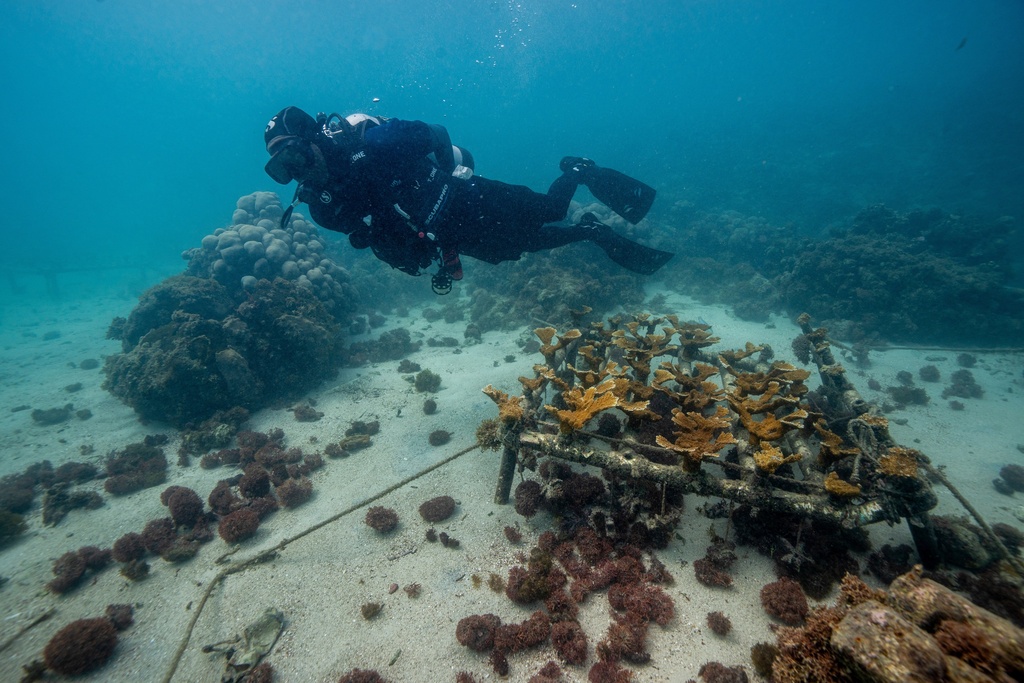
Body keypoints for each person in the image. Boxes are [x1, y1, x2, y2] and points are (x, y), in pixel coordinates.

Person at [263, 106, 673, 294]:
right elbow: (369, 232)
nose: (295, 171)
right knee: (522, 246)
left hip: (469, 196)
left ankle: (577, 170)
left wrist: (444, 176)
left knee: (552, 210)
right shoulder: (322, 205)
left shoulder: (369, 142)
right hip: (449, 235)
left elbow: (437, 135)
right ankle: (590, 230)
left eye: (295, 155)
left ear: (313, 140)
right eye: (282, 168)